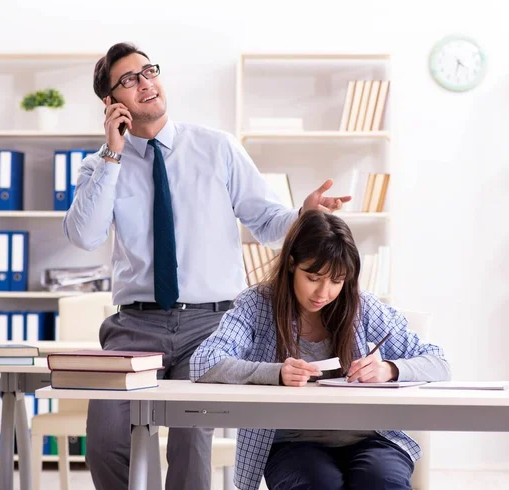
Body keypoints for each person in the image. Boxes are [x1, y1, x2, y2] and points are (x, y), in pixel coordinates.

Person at [63, 42, 351, 490]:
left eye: (148, 71)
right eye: (129, 80)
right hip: (135, 326)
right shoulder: (100, 167)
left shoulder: (217, 148)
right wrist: (112, 153)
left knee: (191, 444)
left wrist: (304, 214)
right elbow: (83, 235)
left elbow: (266, 221)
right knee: (105, 440)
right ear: (111, 102)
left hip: (211, 325)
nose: (145, 83)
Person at [190, 210, 452, 490]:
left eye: (337, 281)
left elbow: (439, 362)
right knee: (317, 483)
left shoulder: (361, 306)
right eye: (313, 278)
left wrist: (389, 369)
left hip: (371, 439)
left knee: (379, 481)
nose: (323, 293)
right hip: (293, 443)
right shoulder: (258, 304)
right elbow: (203, 362)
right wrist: (275, 373)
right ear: (291, 263)